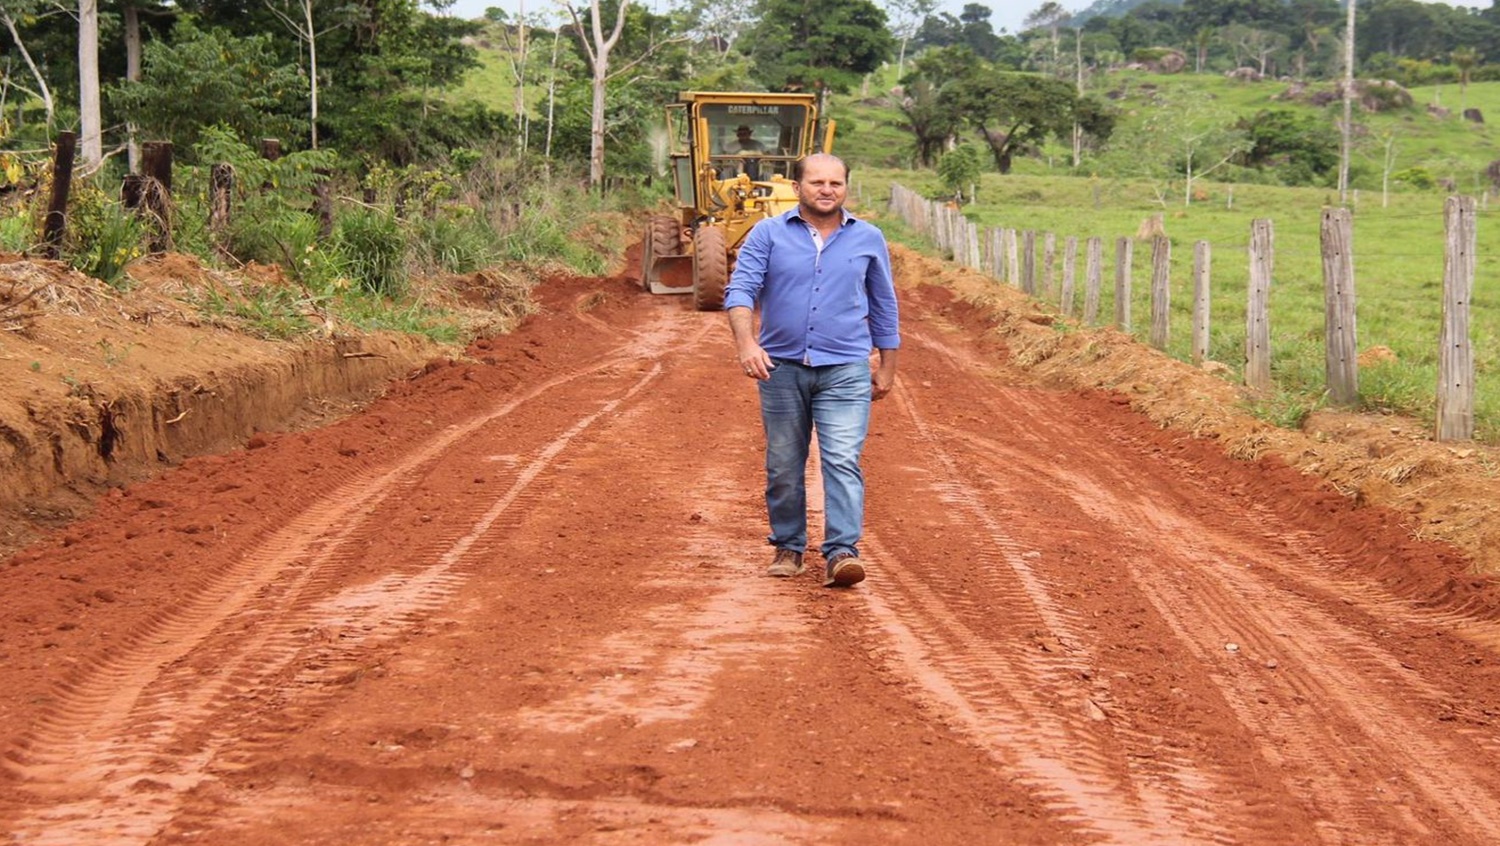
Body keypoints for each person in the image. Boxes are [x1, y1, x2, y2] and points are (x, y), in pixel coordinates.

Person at [723, 153, 901, 588]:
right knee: (784, 463)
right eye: (817, 182)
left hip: (845, 368)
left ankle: (842, 552)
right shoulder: (767, 233)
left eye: (835, 183)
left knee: (841, 459)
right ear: (797, 186)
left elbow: (884, 304)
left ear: (846, 188)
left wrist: (888, 366)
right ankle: (789, 546)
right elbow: (741, 289)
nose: (827, 190)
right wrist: (746, 343)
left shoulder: (868, 238)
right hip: (781, 368)